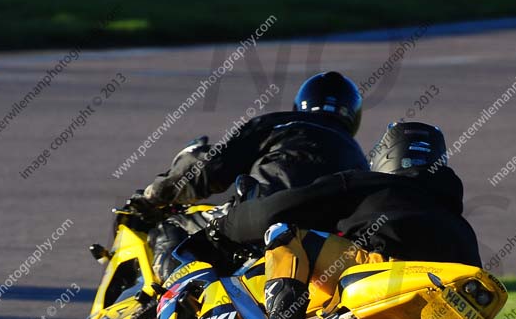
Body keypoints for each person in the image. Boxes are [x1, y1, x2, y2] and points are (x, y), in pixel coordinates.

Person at [215, 121, 480, 319]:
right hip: (441, 312)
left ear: (384, 156)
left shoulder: (369, 184)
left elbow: (275, 211)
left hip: (380, 271)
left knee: (283, 231)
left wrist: (227, 224)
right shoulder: (459, 224)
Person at [133, 71, 369, 280]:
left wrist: (154, 195)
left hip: (263, 216)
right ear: (353, 114)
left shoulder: (280, 124)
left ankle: (179, 296)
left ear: (301, 104)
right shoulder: (359, 157)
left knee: (171, 228)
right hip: (325, 243)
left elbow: (209, 168)